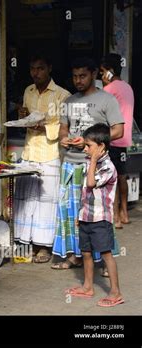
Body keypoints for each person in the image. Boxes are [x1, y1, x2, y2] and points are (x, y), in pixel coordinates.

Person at [51, 57, 124, 270]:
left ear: (93, 74)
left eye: (82, 75)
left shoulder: (107, 100)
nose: (78, 80)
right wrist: (64, 138)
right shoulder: (69, 101)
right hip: (70, 165)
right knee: (72, 214)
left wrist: (91, 142)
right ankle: (76, 256)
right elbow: (63, 129)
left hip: (95, 166)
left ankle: (103, 261)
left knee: (97, 216)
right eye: (74, 76)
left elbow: (118, 130)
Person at [14, 54, 71, 262]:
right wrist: (24, 117)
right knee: (26, 198)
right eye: (32, 69)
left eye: (40, 68)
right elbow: (28, 116)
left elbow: (66, 125)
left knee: (46, 201)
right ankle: (25, 243)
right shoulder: (28, 91)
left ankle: (44, 247)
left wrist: (44, 126)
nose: (35, 73)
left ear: (49, 68)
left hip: (49, 153)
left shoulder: (62, 95)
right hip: (29, 151)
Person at [65, 123, 124, 307]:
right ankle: (88, 286)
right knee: (86, 253)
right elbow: (85, 192)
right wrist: (79, 214)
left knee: (106, 254)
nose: (85, 148)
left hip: (100, 219)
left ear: (101, 147)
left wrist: (92, 162)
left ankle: (115, 293)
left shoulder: (107, 167)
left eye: (89, 145)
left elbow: (91, 183)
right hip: (86, 217)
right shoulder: (90, 163)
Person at [100, 53, 135, 229]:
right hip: (125, 140)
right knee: (122, 176)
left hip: (113, 139)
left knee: (111, 179)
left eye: (102, 72)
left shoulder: (109, 90)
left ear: (109, 72)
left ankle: (115, 218)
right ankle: (125, 213)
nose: (100, 76)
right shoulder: (127, 87)